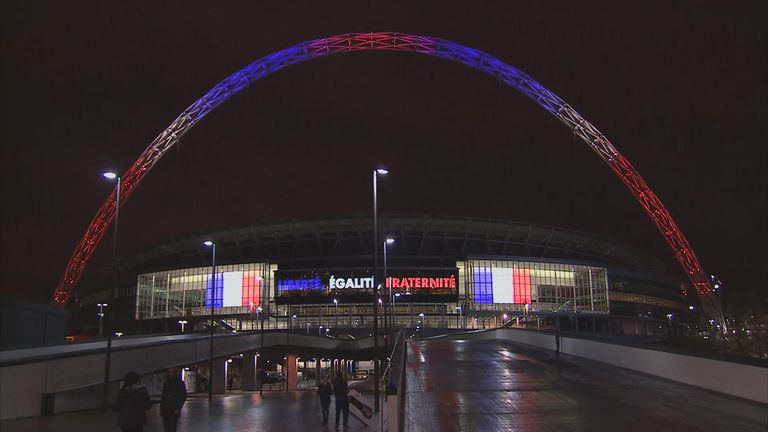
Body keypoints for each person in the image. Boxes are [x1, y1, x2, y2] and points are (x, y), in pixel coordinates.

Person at [160, 368, 187, 432]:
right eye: (169, 372)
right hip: (166, 409)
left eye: (172, 372)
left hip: (174, 409)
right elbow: (163, 396)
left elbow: (183, 397)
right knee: (167, 428)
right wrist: (161, 409)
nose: (170, 374)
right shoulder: (166, 383)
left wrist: (178, 408)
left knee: (172, 427)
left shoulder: (179, 383)